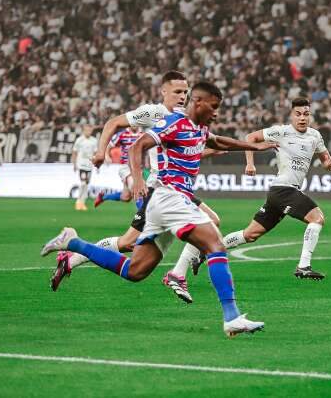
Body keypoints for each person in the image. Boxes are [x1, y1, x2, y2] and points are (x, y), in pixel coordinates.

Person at [41, 82, 277, 337]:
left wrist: (254, 146)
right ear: (198, 103)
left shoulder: (201, 127)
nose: (217, 113)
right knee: (215, 245)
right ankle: (231, 317)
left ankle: (73, 243)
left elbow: (219, 142)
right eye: (214, 106)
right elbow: (137, 146)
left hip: (170, 203)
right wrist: (138, 180)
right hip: (169, 197)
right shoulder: (174, 122)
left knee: (135, 271)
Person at [49, 71, 222, 302]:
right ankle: (73, 255)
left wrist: (215, 150)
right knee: (128, 243)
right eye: (177, 92)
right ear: (164, 92)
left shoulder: (188, 119)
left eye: (185, 92)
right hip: (157, 190)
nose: (182, 96)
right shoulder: (153, 112)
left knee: (209, 222)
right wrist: (101, 151)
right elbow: (113, 123)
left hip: (178, 190)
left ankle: (71, 258)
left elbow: (192, 150)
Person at [182, 97, 331, 287]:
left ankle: (203, 253)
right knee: (317, 218)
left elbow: (325, 159)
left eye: (306, 114)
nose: (302, 118)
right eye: (298, 114)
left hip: (281, 194)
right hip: (283, 190)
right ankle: (303, 266)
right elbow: (250, 138)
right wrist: (250, 163)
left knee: (250, 234)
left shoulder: (315, 136)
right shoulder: (281, 131)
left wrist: (329, 164)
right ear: (291, 115)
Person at [93, 125, 142, 207]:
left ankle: (103, 197)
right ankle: (142, 217)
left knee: (125, 197)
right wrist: (107, 156)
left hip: (139, 168)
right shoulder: (122, 134)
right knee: (136, 189)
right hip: (126, 167)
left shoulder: (143, 134)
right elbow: (109, 145)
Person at [71, 125, 98, 211]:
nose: (88, 132)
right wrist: (74, 164)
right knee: (83, 183)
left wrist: (97, 164)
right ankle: (78, 201)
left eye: (89, 130)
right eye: (86, 130)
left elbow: (95, 153)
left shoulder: (94, 141)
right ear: (83, 131)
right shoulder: (79, 140)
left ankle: (82, 202)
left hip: (89, 166)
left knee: (86, 184)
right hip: (81, 165)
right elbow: (74, 152)